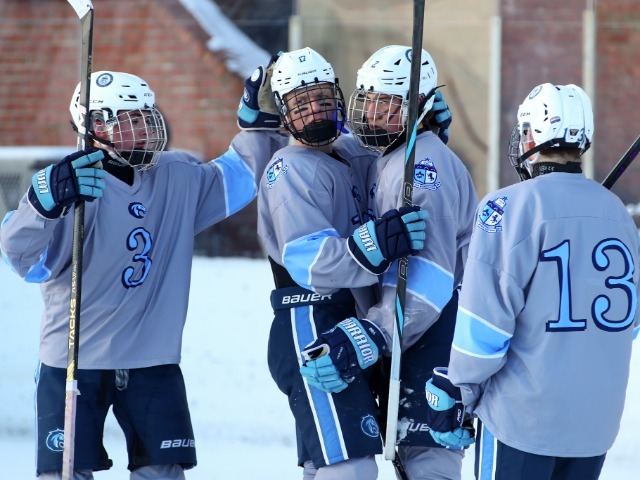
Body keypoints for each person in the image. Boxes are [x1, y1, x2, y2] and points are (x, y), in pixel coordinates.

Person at [0, 70, 287, 479]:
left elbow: (237, 177)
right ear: (96, 126)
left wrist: (258, 128)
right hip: (74, 361)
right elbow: (23, 258)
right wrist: (42, 205)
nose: (146, 127)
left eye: (145, 116)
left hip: (152, 360)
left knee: (164, 472)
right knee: (64, 474)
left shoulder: (176, 175)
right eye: (131, 119)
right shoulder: (70, 188)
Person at [424, 83, 640, 480]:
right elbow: (627, 326)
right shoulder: (618, 215)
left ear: (531, 135)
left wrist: (461, 390)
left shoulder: (507, 206)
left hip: (522, 422)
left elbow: (484, 325)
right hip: (594, 427)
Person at [244, 47, 428, 479]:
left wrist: (424, 125)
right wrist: (375, 244)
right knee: (351, 466)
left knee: (326, 464)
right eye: (301, 104)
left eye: (324, 98)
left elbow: (393, 154)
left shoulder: (352, 152)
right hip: (311, 317)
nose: (316, 111)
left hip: (355, 317)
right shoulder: (287, 168)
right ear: (284, 115)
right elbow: (310, 259)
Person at [299, 45, 478, 480]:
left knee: (426, 462)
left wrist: (373, 332)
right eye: (369, 98)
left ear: (419, 105)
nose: (374, 112)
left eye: (389, 103)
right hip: (410, 331)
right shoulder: (396, 155)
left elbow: (432, 276)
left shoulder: (422, 164)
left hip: (434, 328)